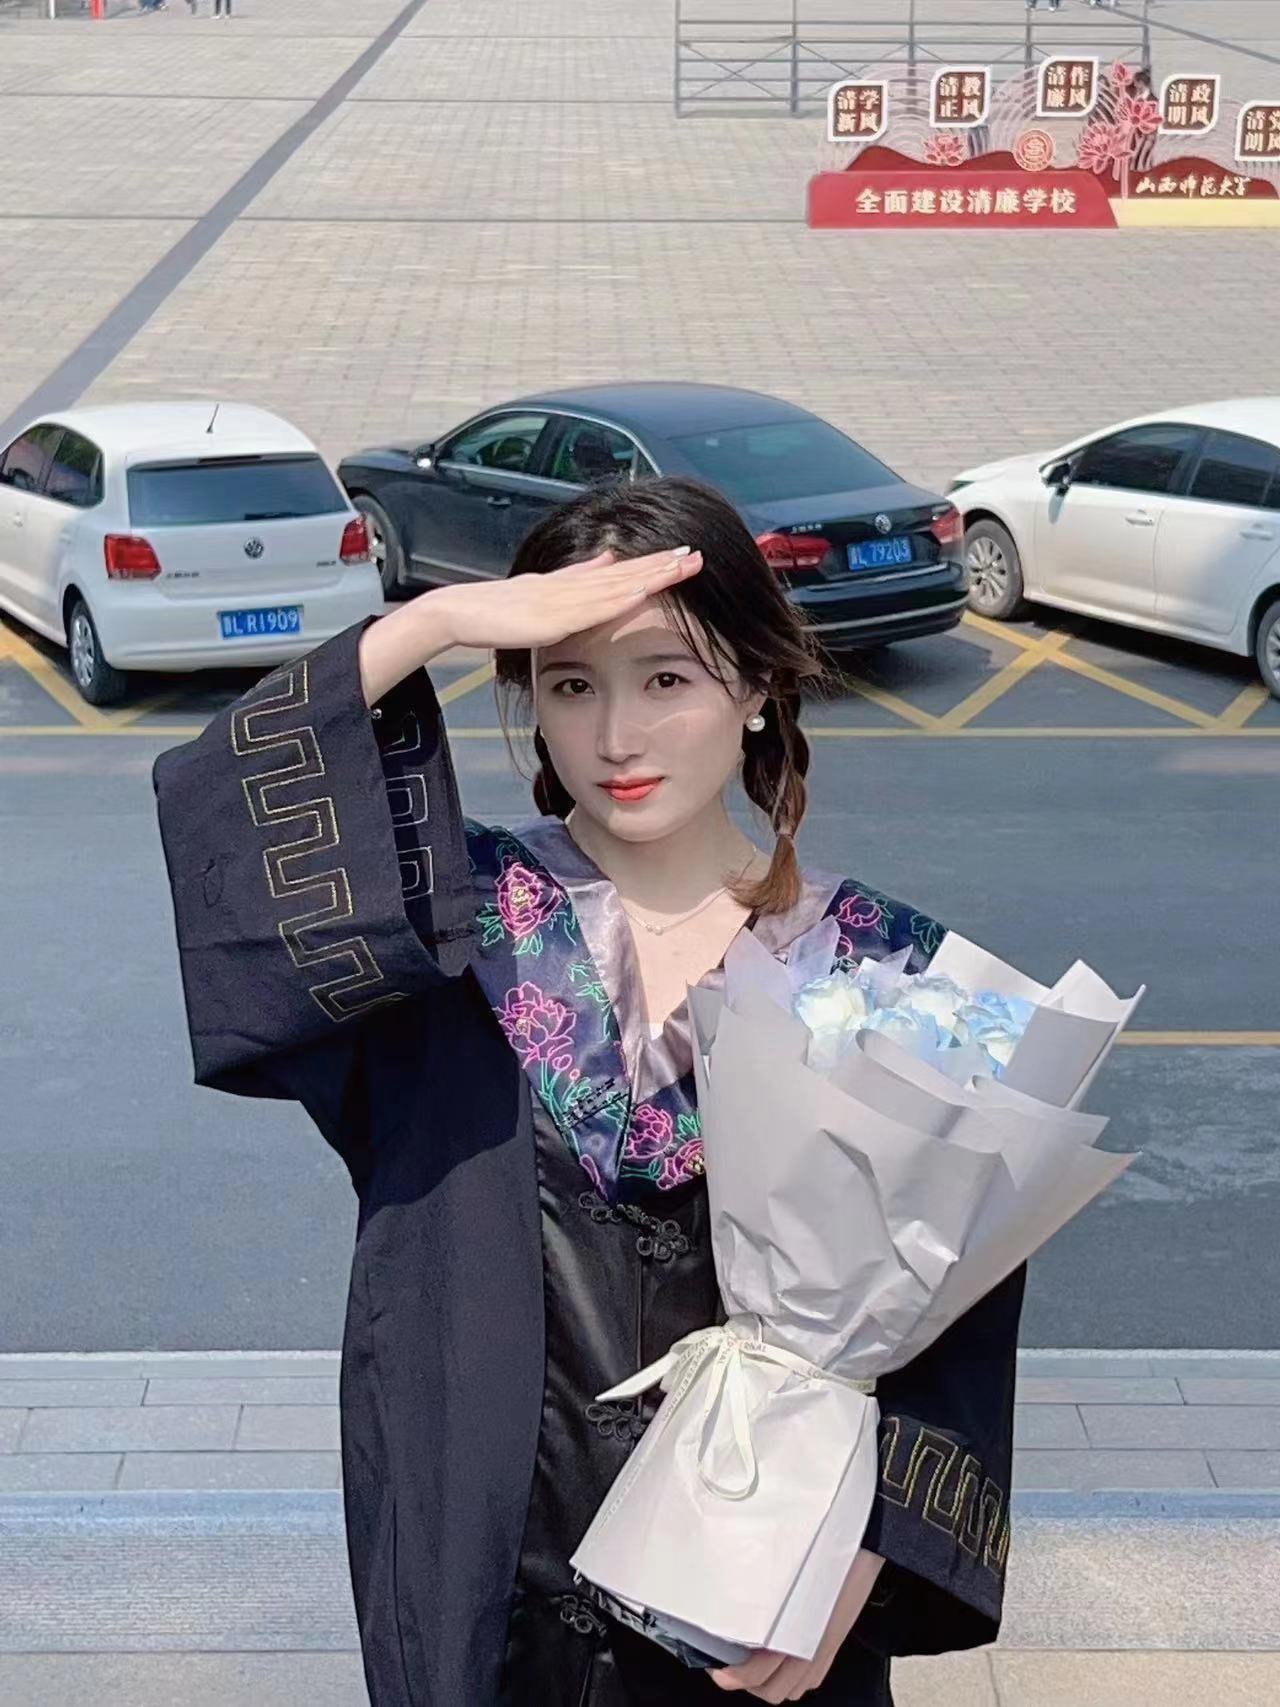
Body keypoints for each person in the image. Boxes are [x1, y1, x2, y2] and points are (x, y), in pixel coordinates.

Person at [154, 476, 1025, 1706]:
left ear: (756, 686)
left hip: (758, 1591)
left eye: (665, 678)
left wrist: (868, 1554)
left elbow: (957, 1310)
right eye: (568, 685)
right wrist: (436, 621)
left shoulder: (879, 971)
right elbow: (227, 824)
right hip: (486, 1581)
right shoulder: (446, 936)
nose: (615, 736)